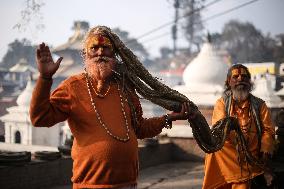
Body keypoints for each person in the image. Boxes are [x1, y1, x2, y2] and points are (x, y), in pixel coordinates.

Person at [29, 26, 191, 189]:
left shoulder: (125, 86)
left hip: (128, 184)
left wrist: (168, 118)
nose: (100, 52)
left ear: (114, 54)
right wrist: (45, 77)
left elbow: (140, 128)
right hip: (90, 185)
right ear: (85, 54)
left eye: (105, 47)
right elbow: (40, 118)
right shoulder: (73, 87)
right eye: (94, 48)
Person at [202, 64, 275, 189]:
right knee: (216, 151)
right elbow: (220, 128)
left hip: (253, 151)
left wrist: (265, 148)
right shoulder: (222, 103)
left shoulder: (260, 105)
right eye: (236, 77)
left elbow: (268, 130)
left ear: (249, 81)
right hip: (230, 152)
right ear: (229, 82)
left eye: (244, 76)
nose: (240, 79)